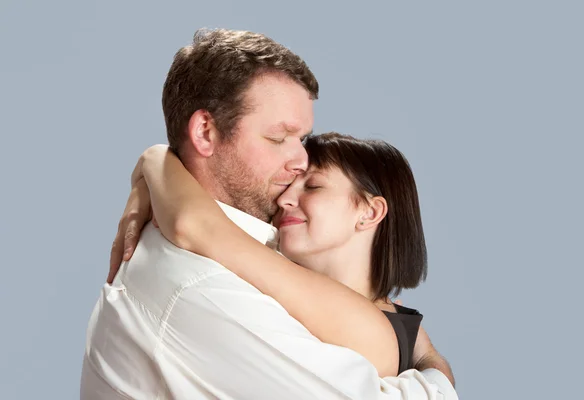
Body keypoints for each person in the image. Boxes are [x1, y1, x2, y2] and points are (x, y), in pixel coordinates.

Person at [81, 28, 457, 399]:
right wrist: (432, 367)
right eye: (278, 138)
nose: (300, 161)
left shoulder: (257, 255)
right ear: (205, 133)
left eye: (303, 140)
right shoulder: (205, 289)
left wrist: (154, 162)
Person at [122, 132, 455, 379]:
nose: (285, 200)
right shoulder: (404, 329)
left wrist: (154, 159)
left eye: (313, 187)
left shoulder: (374, 331)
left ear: (369, 212)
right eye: (287, 187)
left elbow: (194, 225)